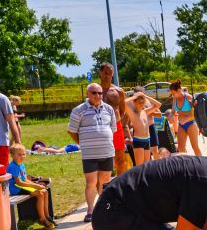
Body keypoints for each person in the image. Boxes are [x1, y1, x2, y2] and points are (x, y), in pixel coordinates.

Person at [67, 83, 116, 222]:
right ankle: (90, 211)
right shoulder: (79, 110)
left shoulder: (108, 109)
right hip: (89, 154)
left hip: (107, 152)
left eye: (100, 93)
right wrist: (82, 143)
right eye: (94, 93)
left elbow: (112, 129)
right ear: (88, 94)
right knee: (91, 183)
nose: (98, 96)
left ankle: (104, 209)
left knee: (105, 182)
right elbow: (72, 131)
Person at [6, 143, 54, 229]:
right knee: (40, 194)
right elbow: (19, 183)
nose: (22, 156)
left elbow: (25, 180)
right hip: (15, 189)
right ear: (12, 155)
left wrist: (36, 185)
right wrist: (36, 187)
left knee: (45, 191)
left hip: (21, 186)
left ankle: (47, 216)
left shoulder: (21, 165)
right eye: (19, 155)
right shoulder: (13, 166)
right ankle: (42, 219)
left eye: (24, 154)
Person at [125, 92, 161, 166]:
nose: (141, 104)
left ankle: (146, 178)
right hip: (138, 140)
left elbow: (158, 105)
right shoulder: (132, 113)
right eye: (139, 102)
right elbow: (124, 102)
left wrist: (145, 96)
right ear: (134, 102)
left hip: (147, 140)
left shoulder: (145, 111)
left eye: (143, 102)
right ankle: (139, 178)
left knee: (146, 165)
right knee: (140, 166)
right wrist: (135, 97)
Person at [170, 79, 201, 156]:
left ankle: (202, 164)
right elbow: (173, 112)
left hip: (191, 123)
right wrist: (171, 116)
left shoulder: (188, 97)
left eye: (173, 93)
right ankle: (185, 165)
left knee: (195, 147)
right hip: (181, 125)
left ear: (179, 90)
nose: (172, 95)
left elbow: (196, 114)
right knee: (181, 148)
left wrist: (186, 119)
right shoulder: (175, 99)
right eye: (172, 93)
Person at [104, 87, 132, 175]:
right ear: (99, 73)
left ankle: (120, 184)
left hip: (117, 126)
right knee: (103, 160)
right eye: (105, 72)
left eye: (109, 72)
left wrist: (122, 124)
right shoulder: (96, 90)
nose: (107, 74)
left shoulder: (118, 91)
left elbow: (124, 110)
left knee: (120, 161)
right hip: (103, 127)